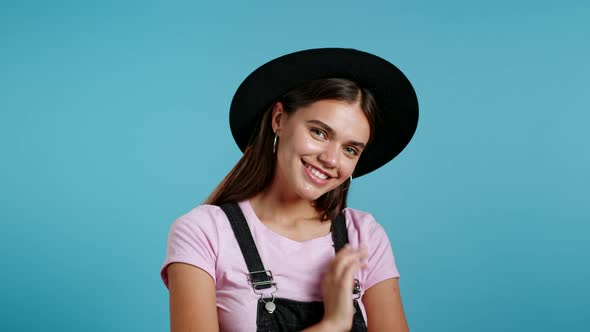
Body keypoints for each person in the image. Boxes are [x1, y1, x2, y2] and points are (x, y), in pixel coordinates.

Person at [160, 48, 419, 332]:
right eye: (319, 132)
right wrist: (332, 324)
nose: (331, 160)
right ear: (279, 119)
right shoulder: (203, 232)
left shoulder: (364, 235)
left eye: (350, 149)